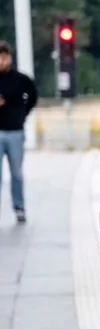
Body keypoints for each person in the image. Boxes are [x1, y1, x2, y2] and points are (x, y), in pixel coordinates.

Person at [0, 41, 38, 223]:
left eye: (4, 57)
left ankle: (19, 206)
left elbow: (33, 97)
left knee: (16, 173)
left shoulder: (20, 79)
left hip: (15, 131)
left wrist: (22, 114)